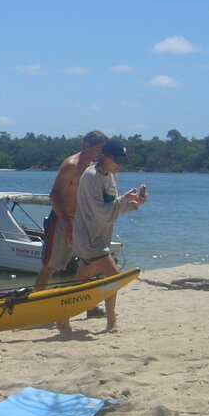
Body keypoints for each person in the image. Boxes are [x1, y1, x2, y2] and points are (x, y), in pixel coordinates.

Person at [34, 130, 107, 332]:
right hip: (62, 218)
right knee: (51, 265)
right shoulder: (71, 166)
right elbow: (54, 195)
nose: (100, 154)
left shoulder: (96, 167)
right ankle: (37, 306)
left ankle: (88, 305)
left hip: (84, 220)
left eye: (103, 151)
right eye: (98, 150)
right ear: (86, 145)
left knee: (91, 263)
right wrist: (66, 225)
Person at [72, 138, 146, 331]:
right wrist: (124, 201)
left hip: (102, 234)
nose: (120, 165)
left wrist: (134, 204)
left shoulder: (111, 175)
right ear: (104, 157)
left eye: (123, 162)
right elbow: (102, 211)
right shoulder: (90, 177)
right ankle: (111, 321)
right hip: (88, 237)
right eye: (117, 161)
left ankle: (61, 318)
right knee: (114, 277)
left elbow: (111, 208)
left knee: (79, 283)